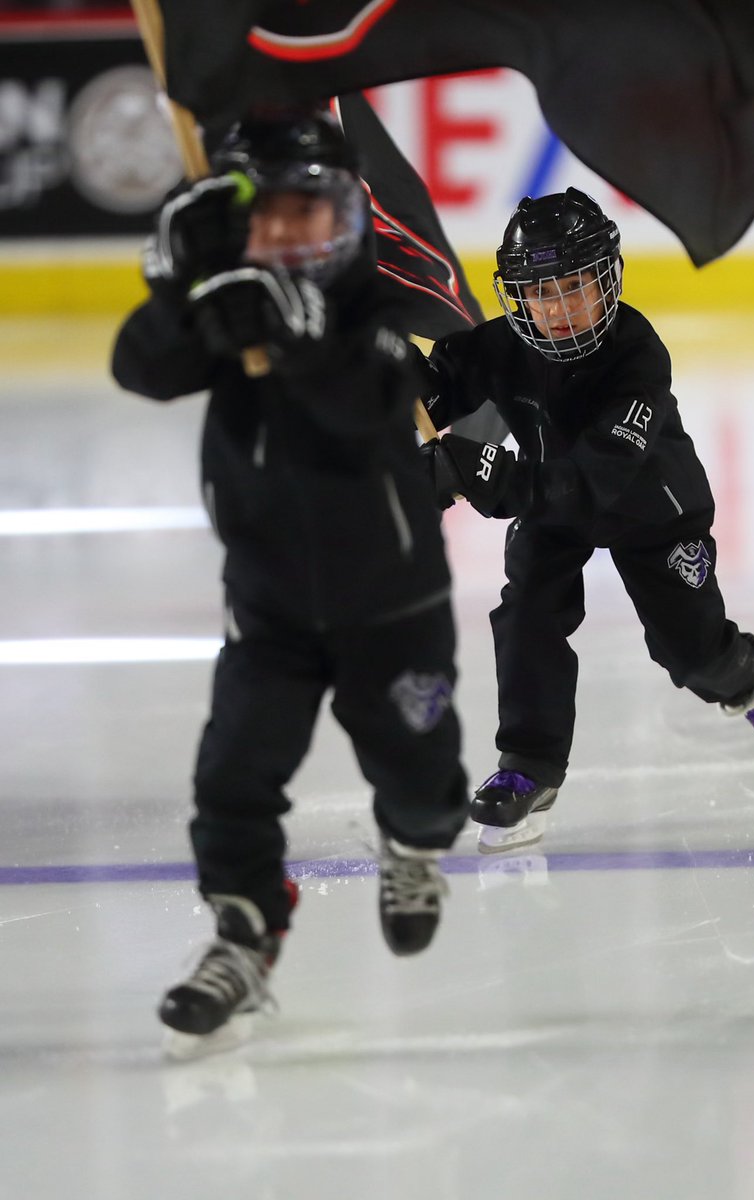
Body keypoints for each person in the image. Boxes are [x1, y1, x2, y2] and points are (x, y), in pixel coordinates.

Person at [111, 109, 468, 1042]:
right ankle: (244, 933)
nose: (280, 230)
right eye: (260, 213)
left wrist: (294, 333)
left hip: (392, 607)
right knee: (232, 776)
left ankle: (414, 843)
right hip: (267, 608)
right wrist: (176, 284)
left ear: (345, 214)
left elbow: (366, 402)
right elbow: (140, 368)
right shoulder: (229, 304)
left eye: (302, 210)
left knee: (421, 772)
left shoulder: (375, 314)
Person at [417, 188, 754, 854]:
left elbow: (592, 485)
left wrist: (477, 471)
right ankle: (529, 768)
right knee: (528, 612)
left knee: (692, 654)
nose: (558, 308)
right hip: (548, 506)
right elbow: (437, 385)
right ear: (516, 296)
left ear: (607, 279)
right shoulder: (502, 345)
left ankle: (745, 679)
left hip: (651, 513)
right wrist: (393, 376)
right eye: (539, 292)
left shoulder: (637, 355)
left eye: (574, 287)